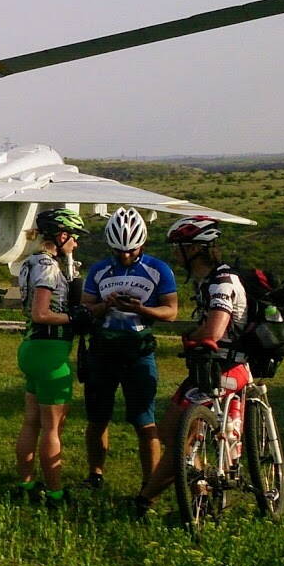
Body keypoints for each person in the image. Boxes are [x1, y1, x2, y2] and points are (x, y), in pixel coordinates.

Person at [133, 215, 251, 516]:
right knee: (170, 433)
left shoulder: (221, 283)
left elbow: (214, 331)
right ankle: (197, 492)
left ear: (195, 249)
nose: (175, 253)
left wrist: (190, 336)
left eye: (179, 247)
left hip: (226, 368)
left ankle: (150, 499)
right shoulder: (207, 280)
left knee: (181, 439)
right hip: (209, 367)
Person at [78, 207, 178, 492]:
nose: (124, 256)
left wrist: (142, 309)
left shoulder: (158, 269)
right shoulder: (99, 270)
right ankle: (95, 475)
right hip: (103, 351)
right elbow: (85, 309)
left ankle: (149, 485)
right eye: (118, 251)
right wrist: (105, 305)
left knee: (145, 422)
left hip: (138, 352)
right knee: (97, 419)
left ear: (141, 245)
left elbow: (171, 311)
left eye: (131, 251)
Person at [14, 208, 91, 509]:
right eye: (73, 238)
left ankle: (25, 484)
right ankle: (56, 493)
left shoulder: (31, 262)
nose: (76, 243)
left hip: (31, 347)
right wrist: (73, 318)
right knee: (52, 428)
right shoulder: (47, 267)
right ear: (62, 236)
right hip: (50, 350)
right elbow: (41, 313)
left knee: (31, 422)